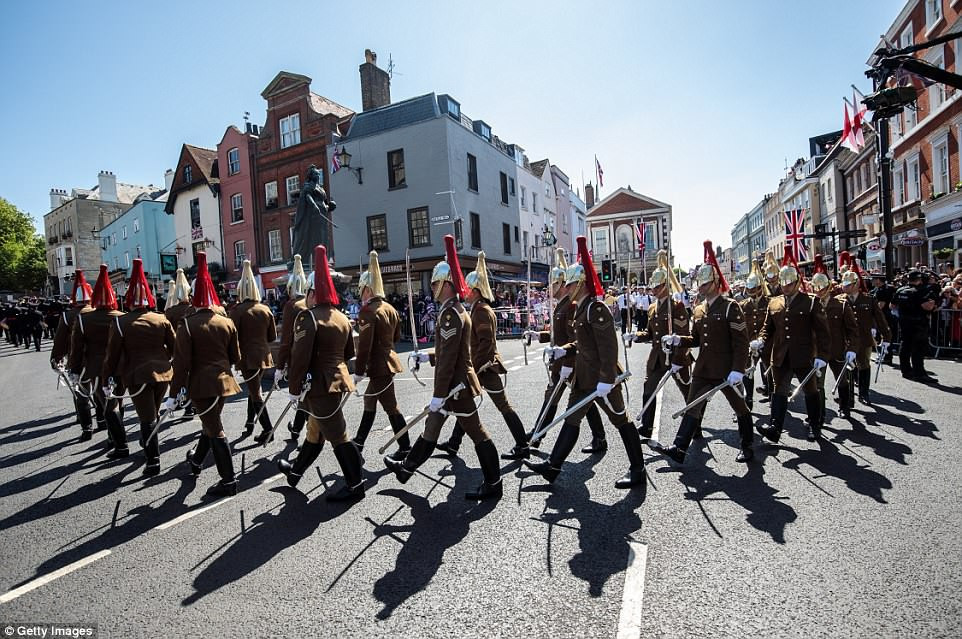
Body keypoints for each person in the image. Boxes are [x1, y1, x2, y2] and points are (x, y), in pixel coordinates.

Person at [385, 235, 503, 501]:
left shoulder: (450, 313)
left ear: (447, 284)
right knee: (432, 427)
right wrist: (428, 358)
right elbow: (448, 352)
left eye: (437, 282)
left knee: (477, 433)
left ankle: (494, 482)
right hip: (454, 385)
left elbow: (450, 359)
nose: (434, 287)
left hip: (455, 387)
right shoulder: (456, 309)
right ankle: (407, 469)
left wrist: (439, 394)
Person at [524, 236, 646, 488]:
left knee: (621, 419)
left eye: (569, 284)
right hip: (584, 378)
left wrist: (607, 380)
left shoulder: (595, 308)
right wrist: (564, 350)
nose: (566, 289)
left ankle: (638, 469)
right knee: (571, 418)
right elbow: (582, 344)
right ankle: (553, 466)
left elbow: (608, 348)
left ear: (580, 284)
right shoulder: (582, 308)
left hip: (602, 378)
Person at [648, 241, 756, 463]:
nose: (702, 288)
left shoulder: (730, 307)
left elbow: (741, 342)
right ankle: (679, 447)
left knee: (740, 407)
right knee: (692, 405)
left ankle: (746, 446)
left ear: (716, 283)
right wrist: (679, 340)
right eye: (700, 284)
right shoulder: (698, 309)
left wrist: (738, 369)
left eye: (706, 284)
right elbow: (696, 339)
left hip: (727, 369)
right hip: (704, 367)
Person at [278, 245, 365, 502]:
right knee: (315, 431)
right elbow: (349, 352)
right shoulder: (340, 317)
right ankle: (296, 472)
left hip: (319, 386)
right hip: (336, 381)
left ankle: (355, 484)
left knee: (338, 436)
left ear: (313, 292)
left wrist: (293, 389)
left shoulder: (308, 317)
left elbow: (301, 356)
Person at [436, 251, 531, 460]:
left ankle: (522, 444)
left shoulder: (480, 311)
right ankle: (453, 443)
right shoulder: (478, 308)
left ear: (476, 291)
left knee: (502, 406)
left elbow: (486, 343)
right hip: (481, 366)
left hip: (485, 367)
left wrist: (475, 367)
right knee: (462, 405)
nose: (465, 292)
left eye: (468, 289)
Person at [167, 252, 242, 497]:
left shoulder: (187, 324)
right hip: (224, 382)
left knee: (215, 428)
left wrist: (174, 393)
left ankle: (229, 481)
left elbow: (181, 364)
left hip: (201, 384)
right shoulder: (226, 321)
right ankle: (197, 460)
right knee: (209, 424)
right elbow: (235, 357)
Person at [526, 248, 608, 455]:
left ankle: (538, 435)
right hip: (561, 360)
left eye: (553, 284)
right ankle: (539, 433)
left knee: (579, 401)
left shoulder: (570, 307)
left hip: (569, 362)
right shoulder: (560, 306)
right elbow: (558, 335)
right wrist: (540, 336)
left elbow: (575, 340)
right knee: (579, 401)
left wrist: (568, 365)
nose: (549, 288)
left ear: (563, 285)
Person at [102, 259, 176, 476]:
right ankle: (148, 442)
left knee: (147, 417)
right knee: (152, 412)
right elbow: (173, 347)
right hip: (163, 373)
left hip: (137, 374)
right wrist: (164, 360)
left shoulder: (120, 322)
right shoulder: (161, 318)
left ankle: (153, 459)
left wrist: (108, 377)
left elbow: (112, 355)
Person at [755, 248, 831, 443]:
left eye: (790, 284)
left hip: (804, 354)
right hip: (780, 354)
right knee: (779, 390)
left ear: (798, 282)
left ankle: (815, 425)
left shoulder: (811, 302)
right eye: (783, 283)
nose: (786, 287)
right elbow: (767, 328)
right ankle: (775, 427)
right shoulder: (774, 303)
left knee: (810, 391)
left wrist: (822, 355)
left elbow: (823, 332)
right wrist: (761, 340)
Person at [351, 251, 410, 462]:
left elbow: (364, 347)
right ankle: (359, 442)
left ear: (367, 288)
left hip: (378, 366)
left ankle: (404, 446)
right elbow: (396, 336)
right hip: (388, 362)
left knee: (391, 407)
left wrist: (358, 371)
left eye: (361, 290)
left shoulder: (368, 312)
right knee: (370, 400)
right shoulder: (390, 308)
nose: (361, 294)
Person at [625, 250, 692, 439]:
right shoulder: (653, 307)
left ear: (665, 286)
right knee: (649, 389)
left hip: (676, 356)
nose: (653, 290)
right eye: (652, 287)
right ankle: (647, 425)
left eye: (656, 287)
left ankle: (696, 424)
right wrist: (635, 336)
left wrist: (680, 357)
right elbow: (649, 333)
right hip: (657, 357)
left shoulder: (677, 306)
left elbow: (685, 334)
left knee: (687, 390)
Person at [68, 265, 127, 456]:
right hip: (121, 366)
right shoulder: (122, 317)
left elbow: (76, 349)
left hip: (96, 368)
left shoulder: (84, 320)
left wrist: (74, 370)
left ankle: (119, 443)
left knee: (109, 405)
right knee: (117, 401)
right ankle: (114, 435)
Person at [228, 260, 278, 443]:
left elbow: (231, 337)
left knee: (255, 392)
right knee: (253, 389)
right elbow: (272, 337)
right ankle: (250, 422)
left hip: (247, 357)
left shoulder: (237, 311)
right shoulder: (265, 309)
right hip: (264, 356)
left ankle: (268, 429)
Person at [810, 255, 858, 420]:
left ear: (829, 287)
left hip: (838, 349)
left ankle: (845, 407)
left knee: (842, 380)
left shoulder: (841, 305)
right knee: (817, 384)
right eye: (816, 289)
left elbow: (853, 330)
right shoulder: (810, 306)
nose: (819, 292)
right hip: (818, 352)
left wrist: (852, 349)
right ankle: (820, 415)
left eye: (822, 288)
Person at [839, 253, 891, 402]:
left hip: (863, 339)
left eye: (848, 285)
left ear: (856, 284)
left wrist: (886, 337)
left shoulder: (868, 300)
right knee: (846, 368)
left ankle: (864, 393)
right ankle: (847, 397)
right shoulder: (839, 300)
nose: (845, 287)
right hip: (845, 340)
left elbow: (880, 320)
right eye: (844, 284)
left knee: (863, 365)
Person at [51, 270, 94, 440]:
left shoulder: (68, 316)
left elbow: (60, 341)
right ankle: (102, 420)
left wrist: (55, 358)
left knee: (81, 393)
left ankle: (87, 427)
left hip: (76, 359)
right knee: (100, 391)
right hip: (99, 358)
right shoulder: (97, 311)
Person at [274, 254, 310, 441]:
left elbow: (286, 339)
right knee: (307, 395)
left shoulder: (291, 306)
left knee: (305, 394)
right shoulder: (311, 303)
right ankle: (296, 428)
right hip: (313, 355)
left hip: (298, 356)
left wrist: (280, 366)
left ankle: (308, 432)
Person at [893, 270, 938, 382]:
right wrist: (933, 304)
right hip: (918, 323)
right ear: (919, 279)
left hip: (904, 322)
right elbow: (927, 307)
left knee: (905, 346)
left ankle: (906, 370)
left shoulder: (900, 290)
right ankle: (919, 373)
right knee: (918, 349)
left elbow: (892, 306)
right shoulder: (922, 291)